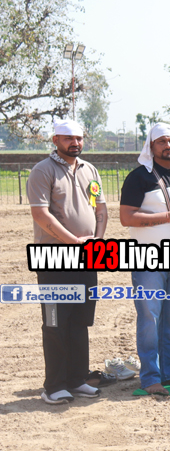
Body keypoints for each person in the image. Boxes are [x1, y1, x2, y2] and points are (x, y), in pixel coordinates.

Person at [119, 123, 170, 396]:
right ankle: (150, 377)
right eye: (162, 141)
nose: (168, 146)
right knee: (149, 318)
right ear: (151, 145)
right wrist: (169, 216)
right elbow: (126, 217)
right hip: (147, 257)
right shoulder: (138, 177)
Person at [28, 120, 107, 404]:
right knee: (55, 322)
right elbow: (41, 215)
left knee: (79, 320)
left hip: (87, 258)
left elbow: (100, 208)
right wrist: (74, 242)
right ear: (55, 140)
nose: (75, 143)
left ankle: (76, 380)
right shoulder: (43, 170)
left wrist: (97, 242)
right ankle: (54, 386)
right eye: (68, 138)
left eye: (79, 138)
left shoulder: (89, 170)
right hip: (54, 258)